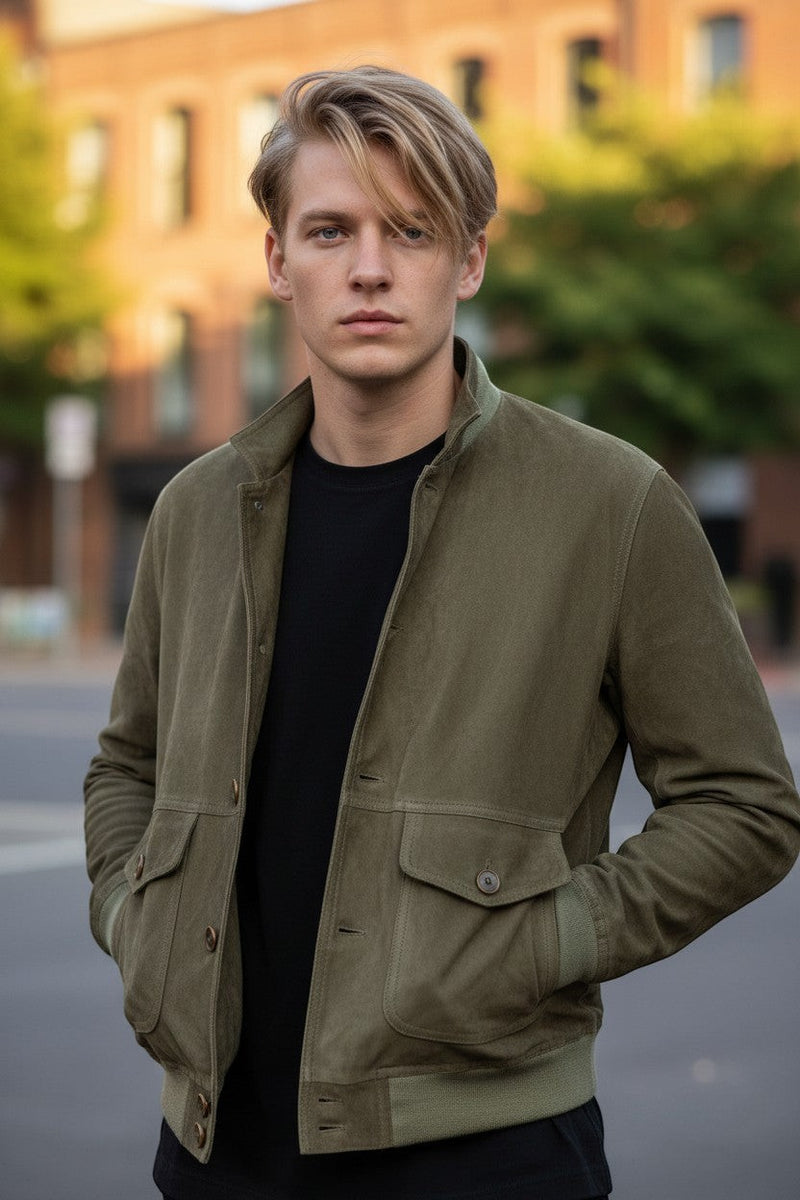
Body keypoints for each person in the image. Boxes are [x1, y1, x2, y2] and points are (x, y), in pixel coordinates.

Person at [84, 66, 800, 1200]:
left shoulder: (609, 504)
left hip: (488, 1156)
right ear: (276, 261)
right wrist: (133, 916)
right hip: (214, 1147)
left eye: (410, 230)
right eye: (329, 229)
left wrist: (545, 941)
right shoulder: (196, 510)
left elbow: (744, 804)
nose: (369, 267)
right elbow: (129, 763)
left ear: (466, 261)